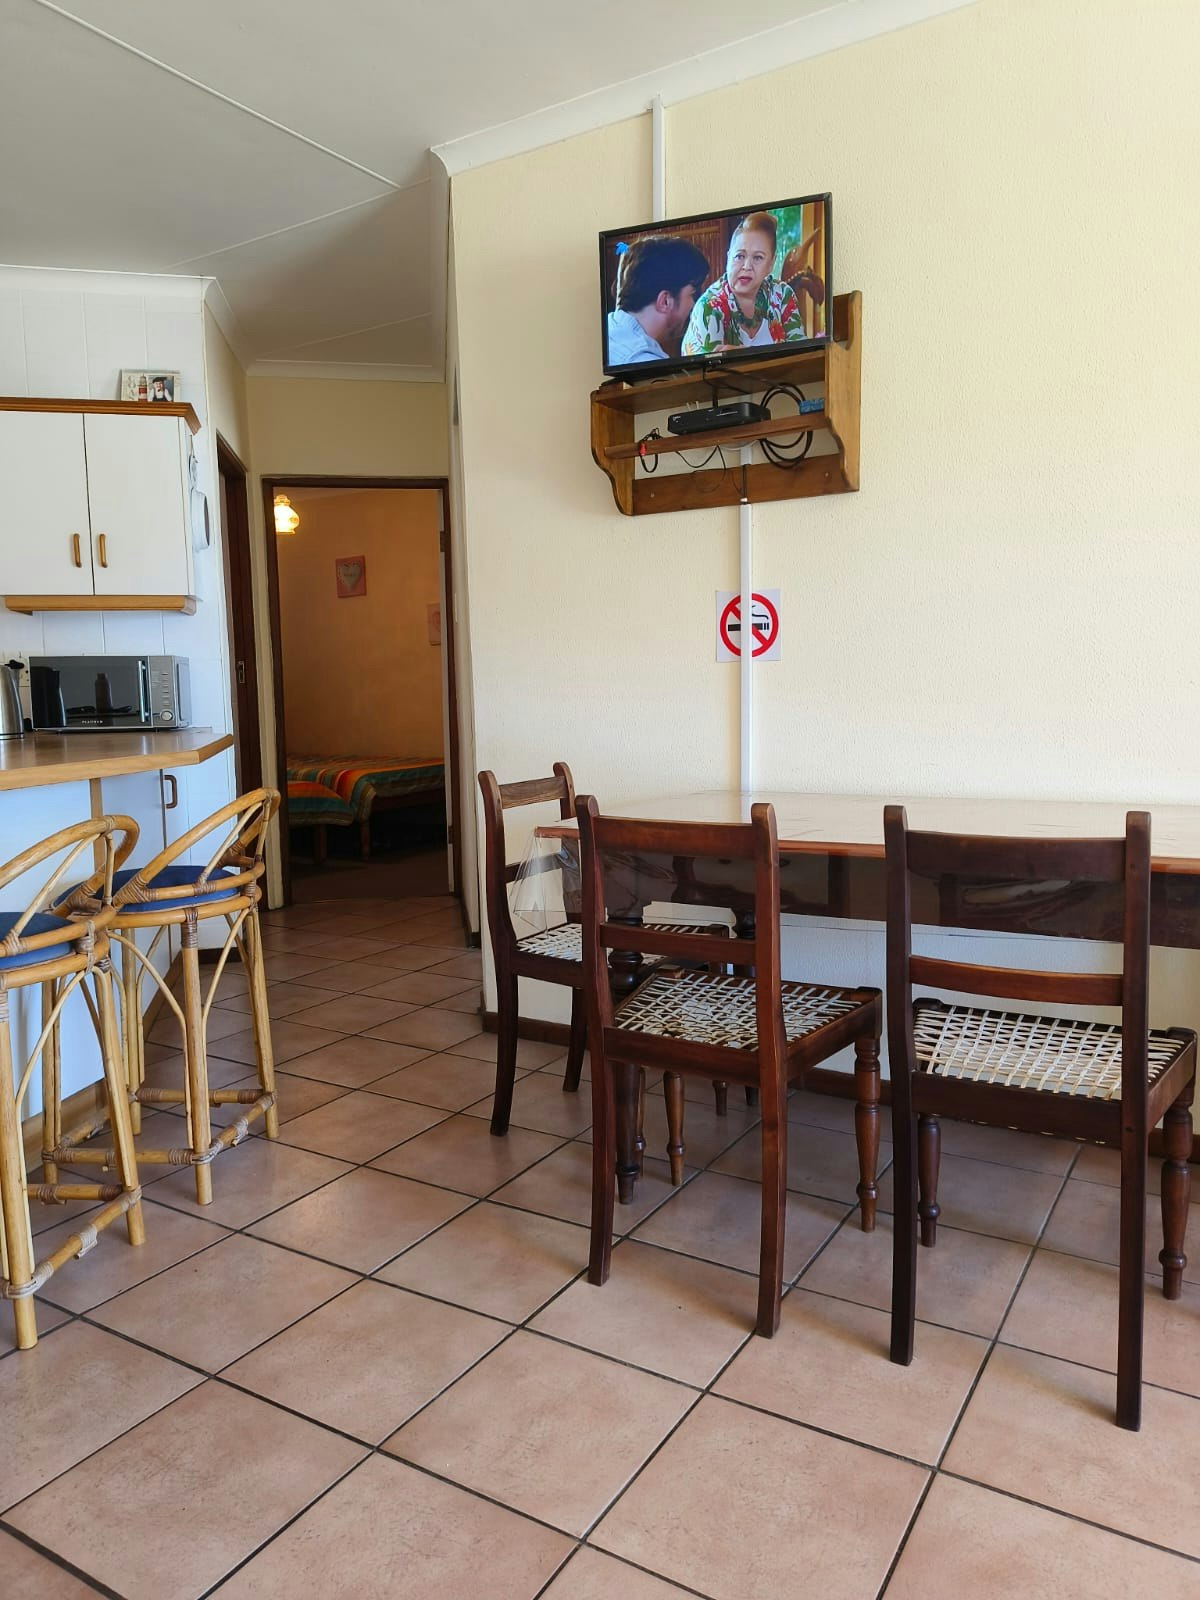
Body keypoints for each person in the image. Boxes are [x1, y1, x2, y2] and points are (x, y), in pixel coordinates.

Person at [681, 211, 807, 356]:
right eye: (740, 256)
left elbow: (801, 355)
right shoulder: (709, 307)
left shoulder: (782, 295)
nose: (747, 266)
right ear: (728, 257)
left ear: (771, 263)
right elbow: (711, 368)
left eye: (758, 258)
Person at [606, 235, 710, 366]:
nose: (693, 304)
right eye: (692, 294)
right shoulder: (644, 362)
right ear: (665, 301)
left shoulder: (607, 328)